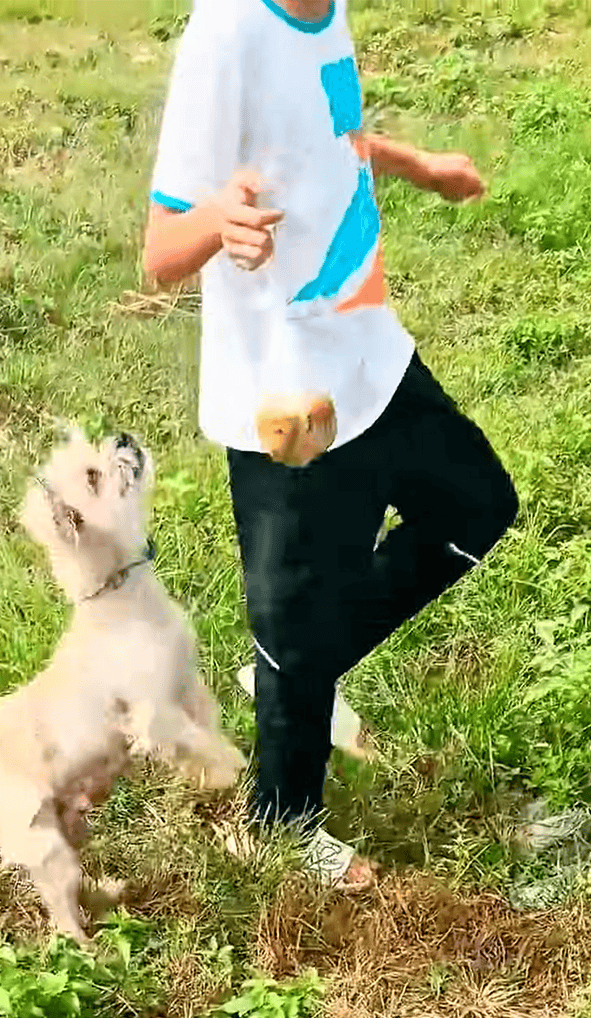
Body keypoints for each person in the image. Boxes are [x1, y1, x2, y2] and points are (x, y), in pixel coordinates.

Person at [142, 0, 518, 887]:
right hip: (287, 393)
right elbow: (161, 250)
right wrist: (217, 225)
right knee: (296, 617)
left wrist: (412, 163)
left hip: (367, 349)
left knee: (475, 504)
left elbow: (325, 137)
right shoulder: (227, 32)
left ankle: (295, 673)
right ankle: (280, 827)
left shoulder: (326, 11)